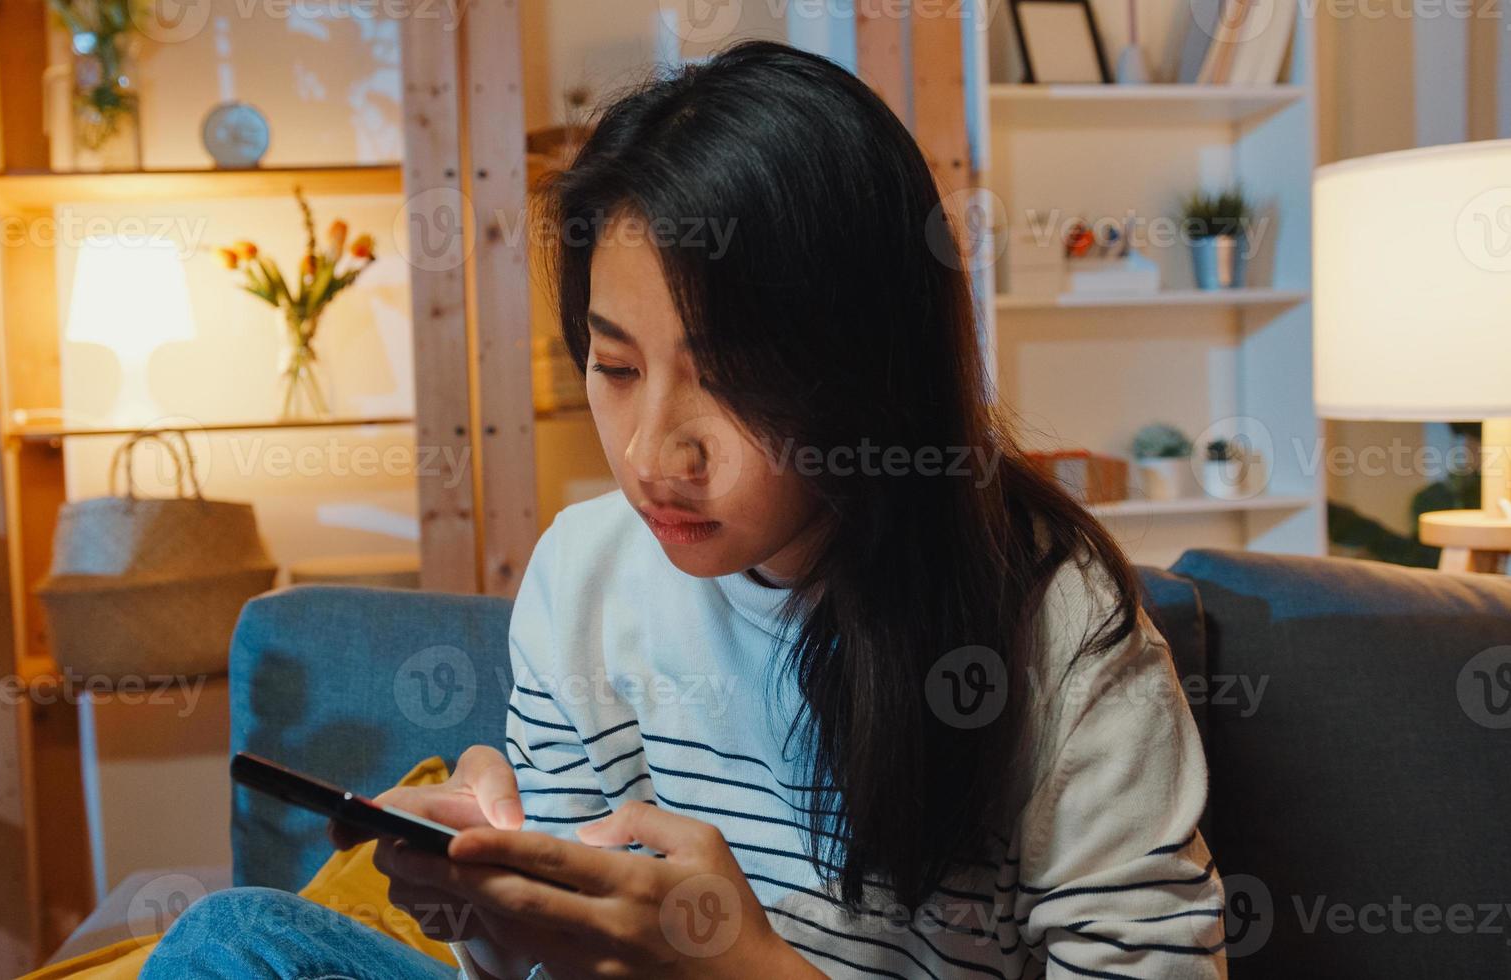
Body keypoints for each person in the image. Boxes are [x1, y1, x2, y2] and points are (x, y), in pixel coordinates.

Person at [143, 39, 1224, 979]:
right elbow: (552, 950)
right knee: (234, 941)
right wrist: (493, 908)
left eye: (729, 377)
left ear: (867, 367)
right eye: (614, 367)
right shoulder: (585, 572)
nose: (655, 452)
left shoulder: (1054, 623)